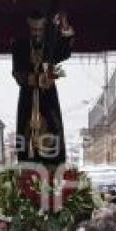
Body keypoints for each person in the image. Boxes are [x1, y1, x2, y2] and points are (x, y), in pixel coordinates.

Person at [12, 10, 74, 165]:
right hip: (27, 96)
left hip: (48, 97)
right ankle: (27, 169)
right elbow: (17, 72)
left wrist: (64, 26)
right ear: (29, 29)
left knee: (52, 128)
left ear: (44, 29)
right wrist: (36, 79)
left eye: (40, 30)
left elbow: (65, 51)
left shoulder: (51, 45)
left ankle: (53, 169)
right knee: (26, 132)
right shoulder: (19, 45)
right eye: (34, 30)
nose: (37, 33)